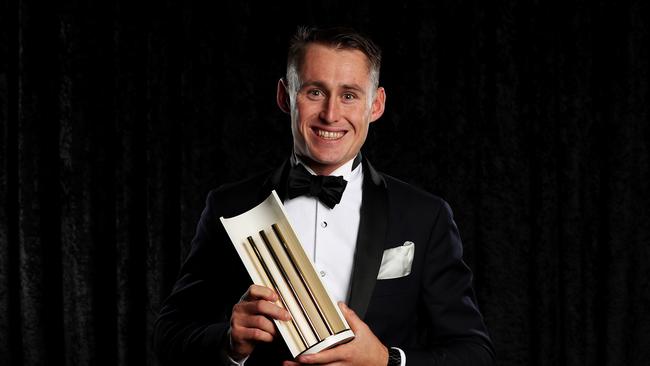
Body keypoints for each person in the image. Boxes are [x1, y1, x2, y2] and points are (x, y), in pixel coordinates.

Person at [153, 26, 496, 366]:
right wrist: (229, 343)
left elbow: (474, 353)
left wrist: (385, 361)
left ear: (375, 105)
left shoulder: (425, 216)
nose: (331, 114)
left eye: (349, 95)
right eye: (314, 92)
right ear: (285, 96)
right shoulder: (229, 206)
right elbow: (169, 335)